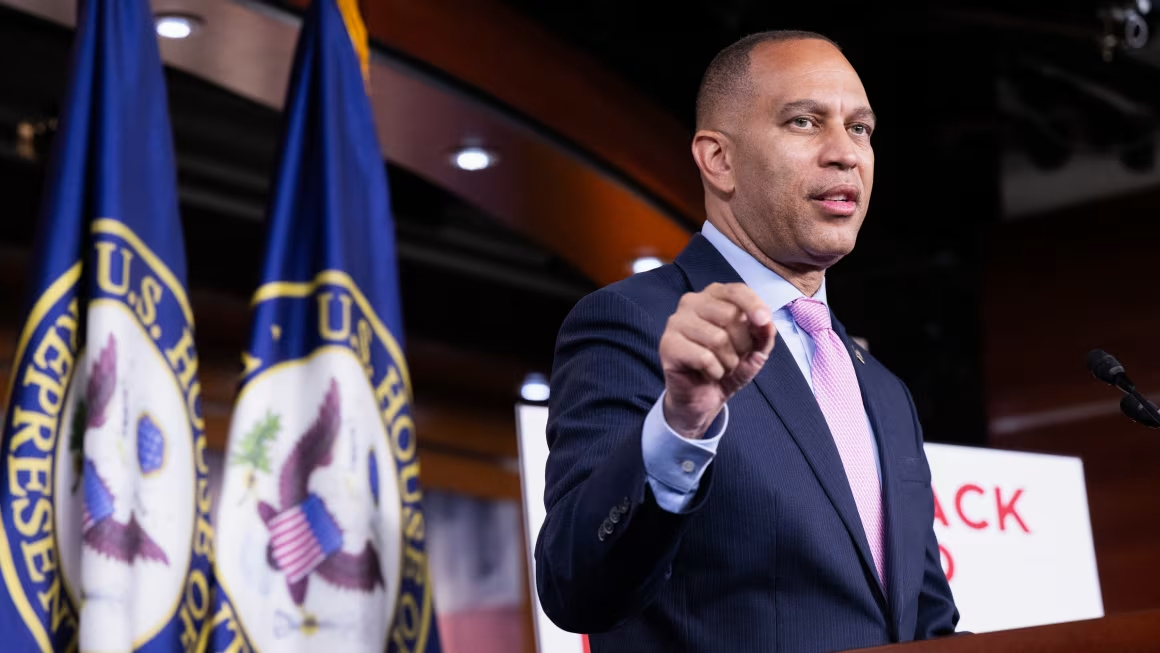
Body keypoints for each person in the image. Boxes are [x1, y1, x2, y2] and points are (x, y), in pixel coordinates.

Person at [534, 30, 959, 652]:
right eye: (804, 121)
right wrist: (680, 425)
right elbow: (575, 586)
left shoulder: (884, 391)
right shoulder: (635, 323)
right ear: (719, 160)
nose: (845, 153)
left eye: (860, 129)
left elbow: (927, 627)